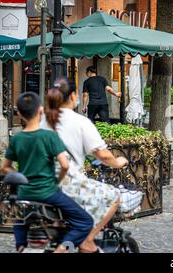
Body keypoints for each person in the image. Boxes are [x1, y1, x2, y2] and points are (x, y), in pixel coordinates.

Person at [42, 77, 133, 253]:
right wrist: (118, 162)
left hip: (39, 180)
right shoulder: (80, 122)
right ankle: (87, 239)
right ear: (74, 96)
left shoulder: (43, 120)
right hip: (65, 182)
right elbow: (103, 155)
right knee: (114, 196)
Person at [2, 92, 94, 253]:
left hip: (24, 193)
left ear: (19, 114)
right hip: (48, 192)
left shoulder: (16, 139)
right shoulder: (49, 136)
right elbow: (64, 165)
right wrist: (56, 181)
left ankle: (21, 247)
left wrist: (22, 177)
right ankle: (61, 249)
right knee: (85, 221)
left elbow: (6, 167)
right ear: (40, 111)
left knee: (21, 220)